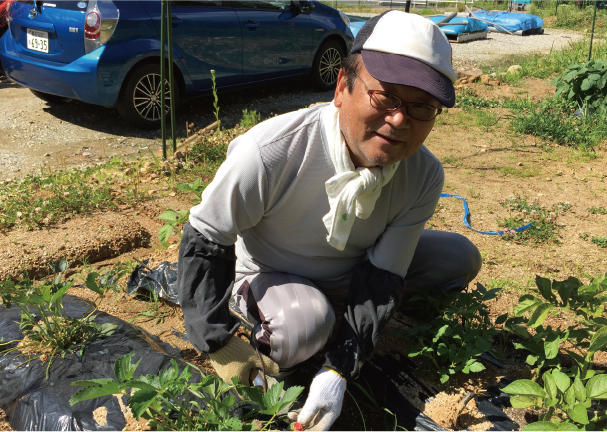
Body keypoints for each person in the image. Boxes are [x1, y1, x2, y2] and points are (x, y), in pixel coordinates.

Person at [178, 10, 481, 431]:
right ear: (342, 86)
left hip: (352, 274)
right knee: (306, 324)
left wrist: (339, 368)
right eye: (385, 97)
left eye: (420, 107)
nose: (399, 120)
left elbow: (384, 275)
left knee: (459, 257)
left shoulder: (423, 175)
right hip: (271, 273)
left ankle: (340, 324)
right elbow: (204, 240)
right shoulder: (270, 152)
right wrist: (217, 342)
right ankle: (264, 317)